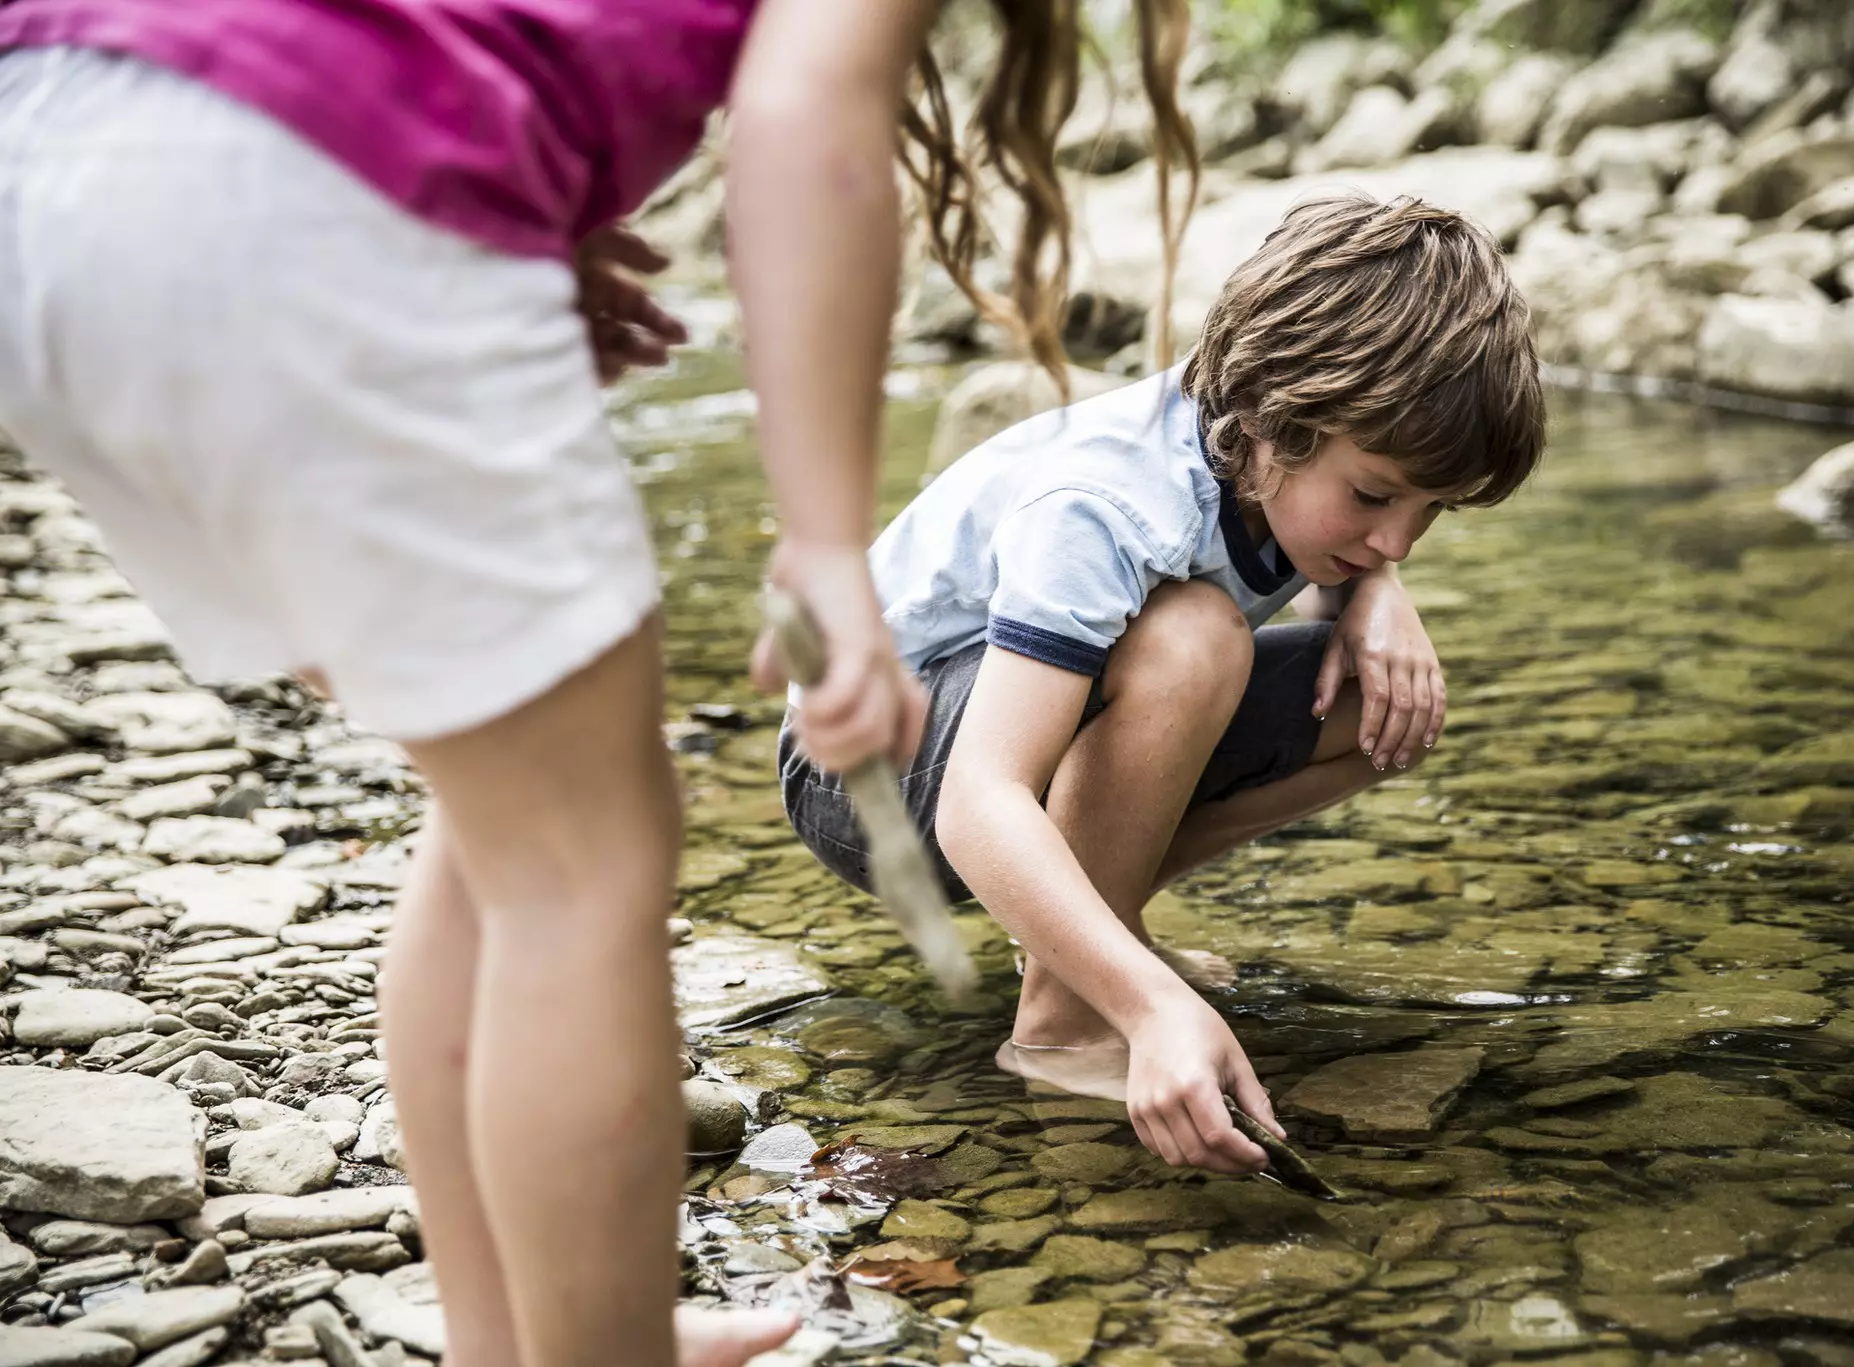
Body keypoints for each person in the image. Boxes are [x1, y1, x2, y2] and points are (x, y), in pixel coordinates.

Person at [0, 4, 1197, 1367]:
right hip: (305, 188)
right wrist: (819, 541)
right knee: (583, 864)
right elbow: (812, 124)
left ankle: (520, 1327)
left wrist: (541, 214)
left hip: (63, 161)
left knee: (501, 824)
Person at [781, 194, 1547, 1175]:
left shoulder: (1275, 454)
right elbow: (980, 799)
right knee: (1192, 636)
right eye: (1374, 496)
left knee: (1379, 702)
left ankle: (1097, 936)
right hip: (863, 775)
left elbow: (1359, 533)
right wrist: (1154, 1005)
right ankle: (1065, 1019)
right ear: (1271, 419)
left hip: (986, 744)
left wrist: (1373, 586)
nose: (1398, 535)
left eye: (1430, 509)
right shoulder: (1108, 504)